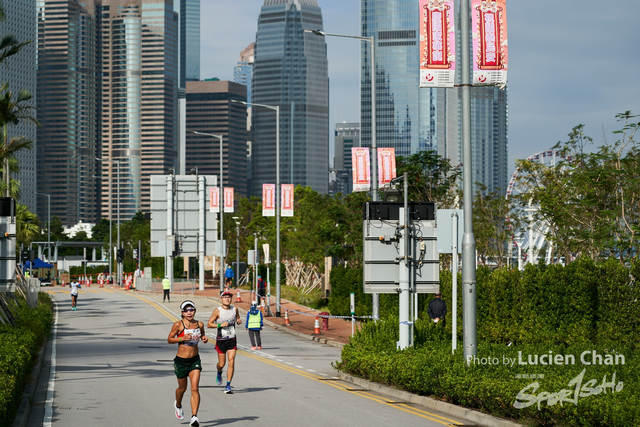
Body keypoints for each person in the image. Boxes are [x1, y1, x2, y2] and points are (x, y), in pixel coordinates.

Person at [167, 300, 209, 427]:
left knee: (195, 388)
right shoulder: (178, 325)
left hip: (194, 360)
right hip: (181, 361)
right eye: (186, 310)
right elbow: (169, 339)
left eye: (191, 310)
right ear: (182, 313)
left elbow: (202, 335)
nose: (189, 312)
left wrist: (204, 339)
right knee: (182, 389)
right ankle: (178, 404)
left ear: (194, 311)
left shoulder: (200, 324)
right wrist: (181, 338)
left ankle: (194, 417)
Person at [207, 290, 242, 394]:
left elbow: (237, 318)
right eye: (225, 297)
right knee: (222, 364)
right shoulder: (217, 311)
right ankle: (219, 371)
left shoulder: (235, 309)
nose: (227, 299)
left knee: (231, 361)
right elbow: (209, 324)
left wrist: (239, 320)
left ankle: (228, 385)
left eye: (229, 297)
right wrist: (219, 325)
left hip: (231, 339)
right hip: (221, 340)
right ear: (221, 299)